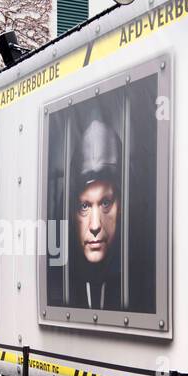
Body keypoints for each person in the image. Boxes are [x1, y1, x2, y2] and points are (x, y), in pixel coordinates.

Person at [70, 117, 123, 310]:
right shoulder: (61, 286)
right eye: (84, 206)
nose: (94, 226)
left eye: (106, 203)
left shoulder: (140, 286)